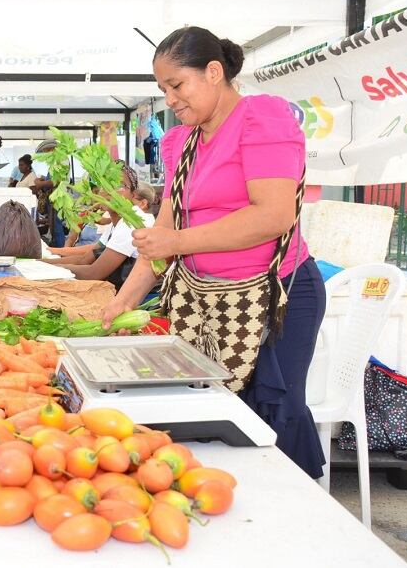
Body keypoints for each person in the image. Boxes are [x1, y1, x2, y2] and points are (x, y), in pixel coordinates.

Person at [101, 26, 325, 479]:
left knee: (270, 411)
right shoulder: (180, 141)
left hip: (275, 298)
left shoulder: (263, 118)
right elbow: (162, 235)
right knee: (216, 413)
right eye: (163, 89)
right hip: (207, 302)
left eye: (177, 85)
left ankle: (288, 510)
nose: (170, 99)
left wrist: (178, 243)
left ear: (215, 73)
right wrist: (121, 302)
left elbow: (273, 216)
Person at [53, 166, 155, 289]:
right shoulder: (115, 223)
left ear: (133, 195)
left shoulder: (130, 223)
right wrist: (36, 262)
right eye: (104, 185)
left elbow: (93, 273)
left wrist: (45, 267)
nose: (109, 191)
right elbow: (84, 260)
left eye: (119, 186)